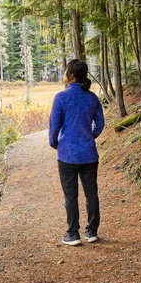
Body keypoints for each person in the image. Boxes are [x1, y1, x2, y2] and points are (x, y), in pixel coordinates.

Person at [49, 59, 105, 246]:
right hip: (89, 154)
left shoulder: (61, 98)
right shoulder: (92, 98)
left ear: (71, 75)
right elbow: (100, 124)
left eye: (66, 71)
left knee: (70, 196)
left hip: (67, 156)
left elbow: (54, 127)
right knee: (91, 193)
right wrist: (90, 136)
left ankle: (73, 234)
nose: (64, 73)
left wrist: (55, 143)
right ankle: (92, 232)